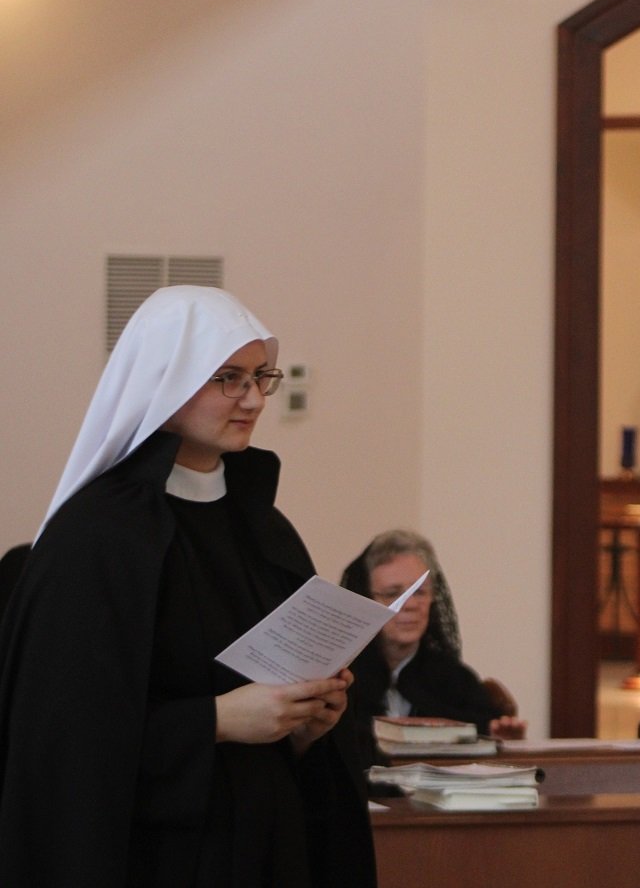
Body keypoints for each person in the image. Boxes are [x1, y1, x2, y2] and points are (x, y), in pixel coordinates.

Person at [0, 286, 375, 887]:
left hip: (273, 849)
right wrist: (216, 721)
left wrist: (311, 725)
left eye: (260, 377)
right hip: (160, 860)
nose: (253, 398)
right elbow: (62, 744)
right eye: (228, 377)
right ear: (165, 382)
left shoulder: (263, 529)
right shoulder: (96, 538)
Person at [340, 528, 526, 770]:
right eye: (393, 594)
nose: (409, 605)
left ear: (433, 599)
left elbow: (484, 741)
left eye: (419, 592)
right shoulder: (341, 678)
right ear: (365, 600)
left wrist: (501, 744)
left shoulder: (456, 680)